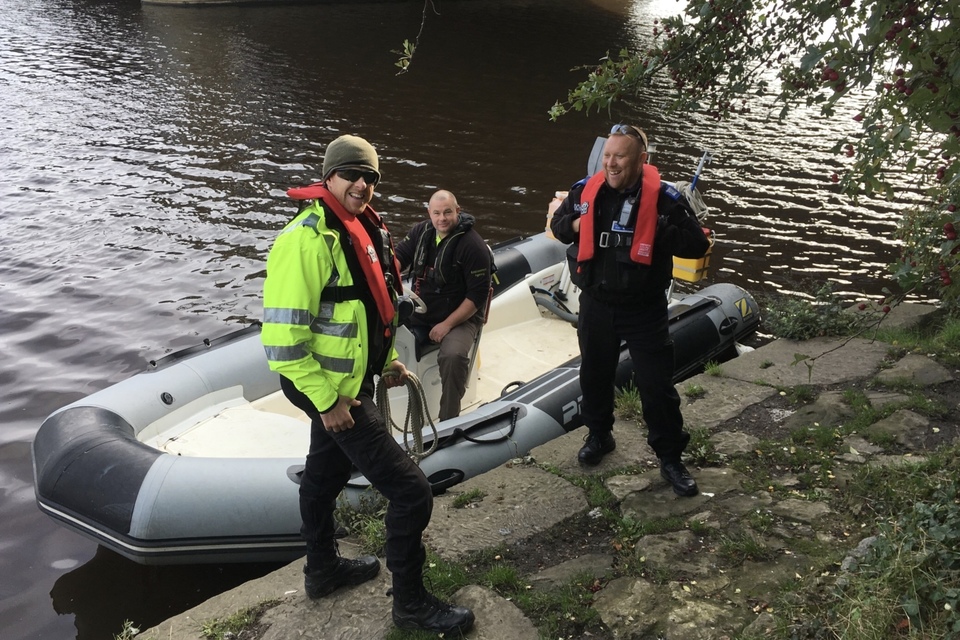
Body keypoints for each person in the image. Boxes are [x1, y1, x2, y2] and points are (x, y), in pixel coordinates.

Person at [260, 134, 475, 635]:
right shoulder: (305, 241)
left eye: (370, 177)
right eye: (352, 174)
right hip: (331, 390)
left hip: (351, 380)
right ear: (328, 176)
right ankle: (411, 604)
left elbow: (358, 315)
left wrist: (384, 366)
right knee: (411, 492)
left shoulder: (357, 229)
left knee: (322, 478)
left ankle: (322, 570)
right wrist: (328, 400)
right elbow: (283, 343)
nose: (362, 184)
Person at [549, 124, 711, 497]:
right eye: (607, 155)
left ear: (641, 160)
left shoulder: (666, 198)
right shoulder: (583, 191)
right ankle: (599, 435)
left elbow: (696, 245)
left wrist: (656, 231)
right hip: (596, 304)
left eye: (620, 156)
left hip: (644, 307)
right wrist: (578, 223)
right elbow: (559, 228)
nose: (611, 163)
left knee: (656, 385)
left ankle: (670, 457)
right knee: (594, 375)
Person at [394, 190, 493, 420]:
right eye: (436, 213)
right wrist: (384, 274)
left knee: (453, 355)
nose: (442, 219)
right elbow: (399, 255)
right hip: (423, 308)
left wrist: (447, 325)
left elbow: (476, 298)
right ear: (429, 213)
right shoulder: (421, 231)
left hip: (461, 316)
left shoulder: (473, 247)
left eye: (447, 212)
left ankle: (449, 418)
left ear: (457, 211)